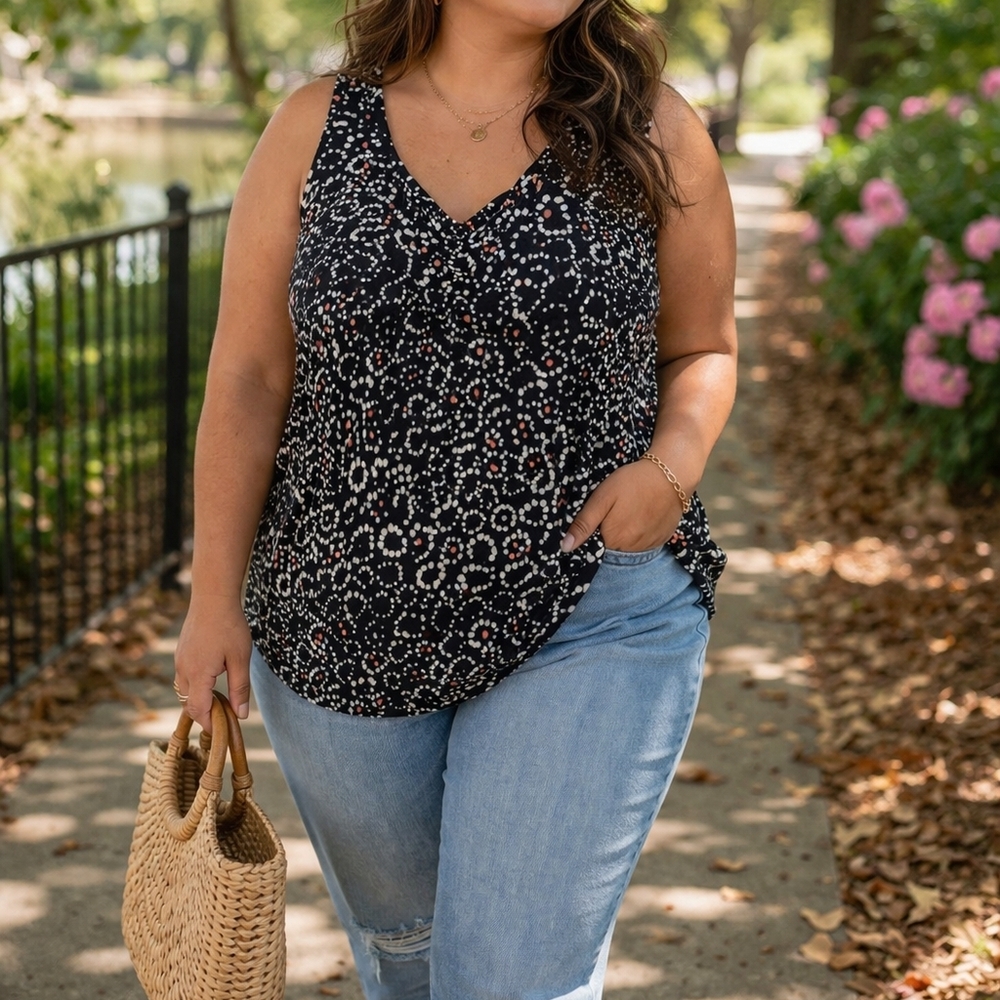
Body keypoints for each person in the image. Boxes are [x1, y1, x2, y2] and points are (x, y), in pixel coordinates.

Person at [173, 0, 736, 996]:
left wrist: (671, 467)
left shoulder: (653, 127)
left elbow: (701, 348)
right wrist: (212, 595)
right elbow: (252, 374)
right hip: (337, 625)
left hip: (589, 602)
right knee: (411, 949)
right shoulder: (315, 125)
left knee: (512, 971)